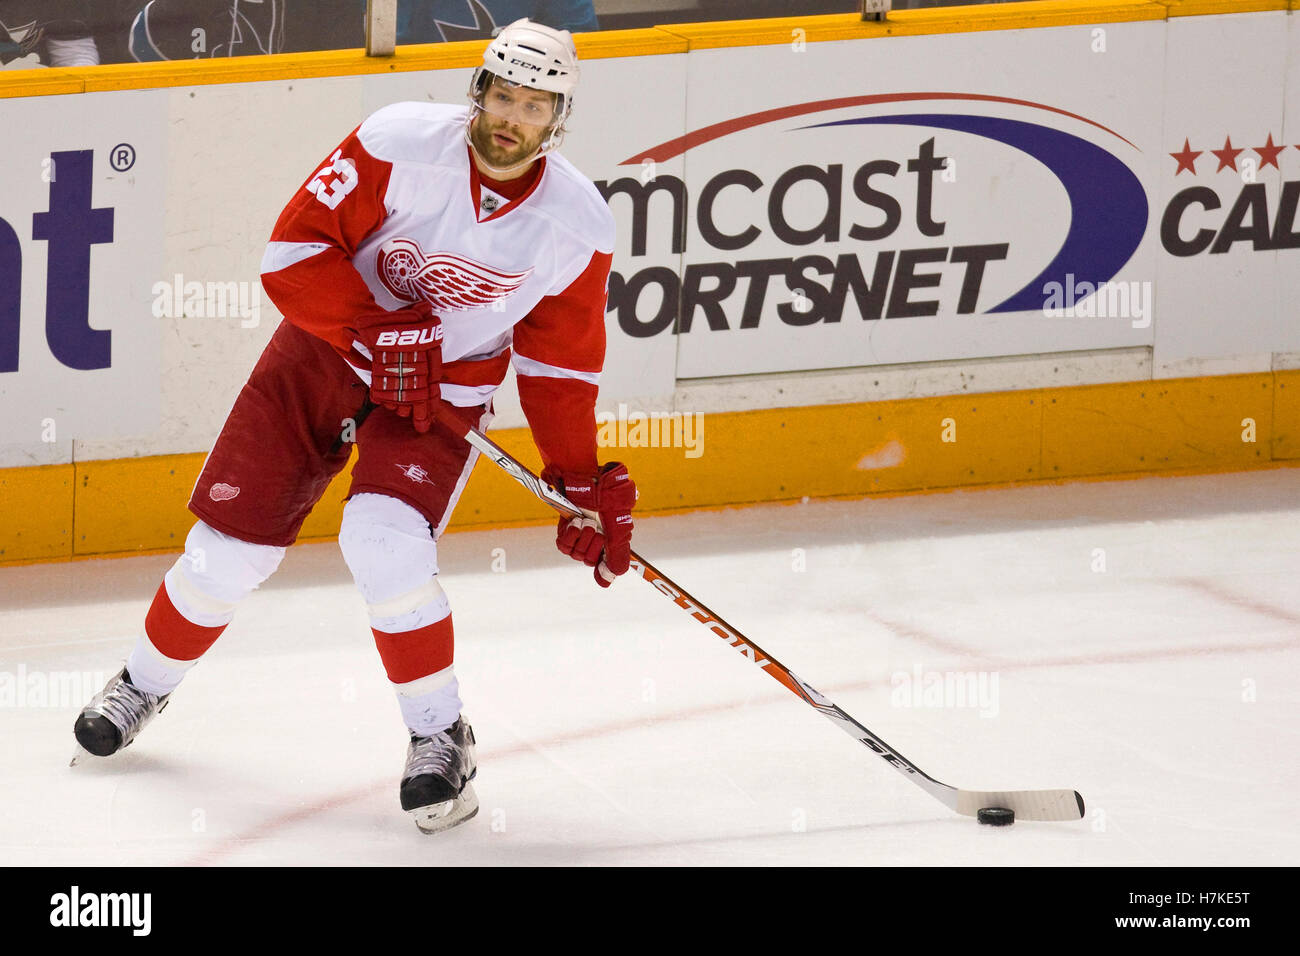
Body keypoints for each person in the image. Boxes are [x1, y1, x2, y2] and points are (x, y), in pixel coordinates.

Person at [72, 18, 636, 835]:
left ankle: (440, 737)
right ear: (477, 92)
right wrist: (375, 327)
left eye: (537, 105)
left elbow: (560, 366)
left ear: (560, 117)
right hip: (326, 350)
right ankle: (141, 683)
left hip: (444, 388)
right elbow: (291, 254)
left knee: (383, 543)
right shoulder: (395, 140)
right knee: (226, 556)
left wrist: (577, 477)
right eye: (503, 95)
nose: (514, 118)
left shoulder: (576, 224)